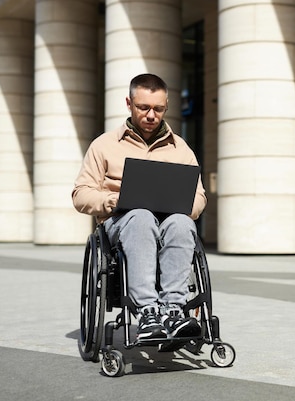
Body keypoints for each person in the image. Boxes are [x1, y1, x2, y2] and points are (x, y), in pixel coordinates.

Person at [72, 73, 207, 342]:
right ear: (129, 103)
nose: (150, 115)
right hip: (121, 223)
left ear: (166, 106)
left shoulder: (181, 149)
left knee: (182, 223)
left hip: (168, 222)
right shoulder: (104, 145)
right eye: (143, 107)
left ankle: (174, 311)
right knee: (141, 216)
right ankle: (147, 311)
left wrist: (180, 206)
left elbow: (199, 197)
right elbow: (80, 195)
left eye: (158, 109)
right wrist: (115, 200)